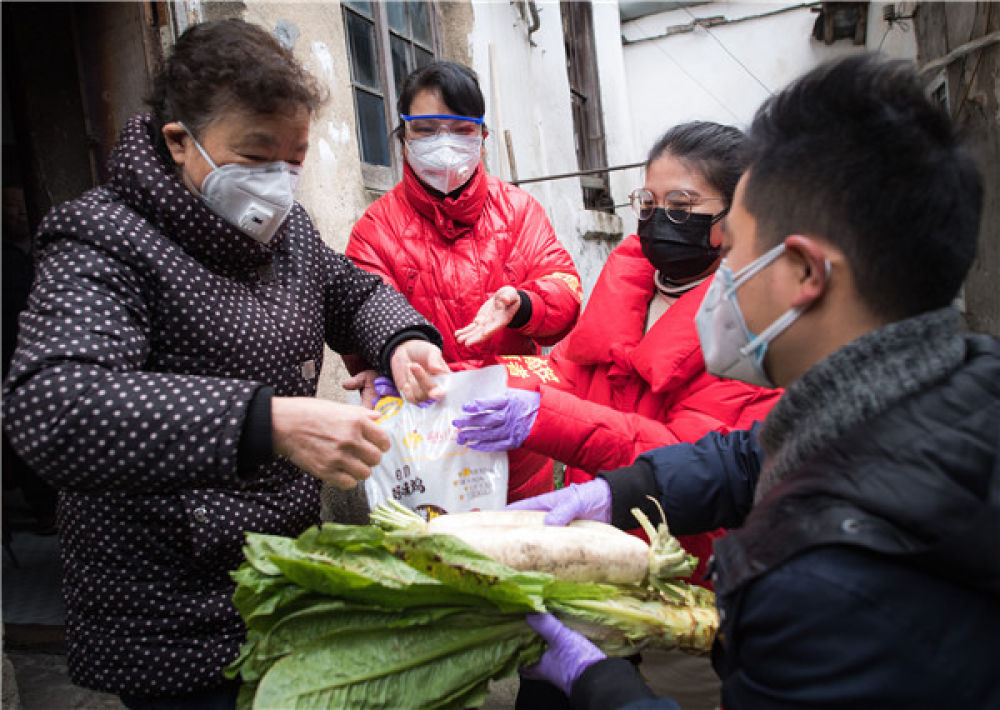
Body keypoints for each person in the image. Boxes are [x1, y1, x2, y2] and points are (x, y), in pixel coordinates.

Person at [507, 54, 999, 709]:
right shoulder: (954, 385)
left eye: (733, 247)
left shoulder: (816, 584)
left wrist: (599, 683)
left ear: (803, 274)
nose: (721, 271)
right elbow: (754, 452)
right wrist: (617, 493)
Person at [1, 19, 449, 709]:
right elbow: (54, 405)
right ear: (181, 141)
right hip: (168, 605)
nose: (277, 181)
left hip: (278, 579)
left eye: (293, 160)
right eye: (254, 156)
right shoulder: (103, 236)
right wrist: (263, 423)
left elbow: (351, 291)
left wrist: (400, 339)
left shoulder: (288, 231)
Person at [454, 121, 781, 710]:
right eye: (648, 203)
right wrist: (457, 385)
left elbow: (690, 455)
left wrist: (544, 415)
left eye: (681, 205)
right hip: (585, 553)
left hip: (675, 582)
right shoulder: (628, 278)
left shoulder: (749, 315)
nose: (658, 219)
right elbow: (567, 377)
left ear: (733, 215)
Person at [344, 60, 582, 501]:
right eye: (427, 129)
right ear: (404, 138)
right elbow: (359, 321)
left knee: (527, 558)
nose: (445, 144)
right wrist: (381, 364)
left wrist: (523, 305)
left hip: (515, 434)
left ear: (482, 138)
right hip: (425, 437)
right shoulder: (376, 229)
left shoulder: (519, 211)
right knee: (436, 562)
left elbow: (565, 294)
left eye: (460, 129)